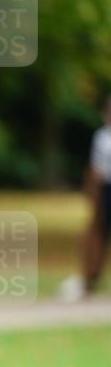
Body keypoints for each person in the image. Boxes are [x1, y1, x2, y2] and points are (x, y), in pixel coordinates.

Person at [60, 93, 111, 301]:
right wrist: (92, 193)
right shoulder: (102, 136)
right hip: (106, 189)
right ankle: (90, 279)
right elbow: (95, 170)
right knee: (96, 234)